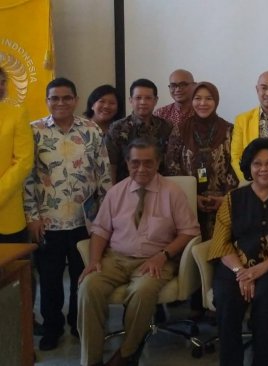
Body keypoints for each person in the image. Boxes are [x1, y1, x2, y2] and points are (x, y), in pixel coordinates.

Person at [77, 137, 200, 366]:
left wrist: (163, 255)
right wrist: (94, 260)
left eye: (148, 163)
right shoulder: (116, 192)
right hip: (115, 258)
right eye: (135, 163)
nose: (141, 169)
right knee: (88, 287)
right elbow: (101, 230)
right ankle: (90, 360)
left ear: (158, 162)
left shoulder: (172, 192)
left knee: (142, 291)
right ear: (127, 162)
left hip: (156, 260)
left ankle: (126, 353)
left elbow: (189, 231)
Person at [24, 77, 112, 351]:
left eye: (66, 98)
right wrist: (32, 217)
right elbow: (27, 178)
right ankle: (52, 327)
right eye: (55, 98)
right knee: (50, 280)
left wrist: (105, 219)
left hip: (85, 221)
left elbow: (104, 174)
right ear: (47, 100)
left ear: (75, 99)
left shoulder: (91, 129)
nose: (60, 103)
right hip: (47, 221)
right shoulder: (34, 131)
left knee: (81, 277)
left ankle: (78, 323)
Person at [208, 137, 268, 366]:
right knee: (227, 300)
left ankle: (263, 360)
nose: (264, 169)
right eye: (257, 164)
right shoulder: (233, 199)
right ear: (249, 168)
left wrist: (261, 269)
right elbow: (221, 243)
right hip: (234, 267)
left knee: (267, 299)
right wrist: (241, 271)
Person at [166, 81, 239, 240]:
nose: (203, 103)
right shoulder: (180, 129)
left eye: (209, 99)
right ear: (192, 101)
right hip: (187, 203)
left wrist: (225, 198)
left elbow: (235, 165)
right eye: (198, 98)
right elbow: (172, 165)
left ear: (216, 101)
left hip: (223, 204)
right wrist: (192, 196)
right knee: (190, 251)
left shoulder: (229, 130)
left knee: (220, 248)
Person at [105, 78, 172, 183]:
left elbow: (170, 163)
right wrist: (113, 192)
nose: (143, 102)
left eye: (148, 98)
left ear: (155, 100)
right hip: (126, 188)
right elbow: (111, 164)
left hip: (160, 187)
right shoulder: (117, 128)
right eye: (138, 98)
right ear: (131, 100)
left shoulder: (166, 127)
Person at [0, 66, 34, 243]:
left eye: (2, 82)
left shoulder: (16, 114)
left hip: (6, 217)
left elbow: (23, 162)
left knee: (14, 269)